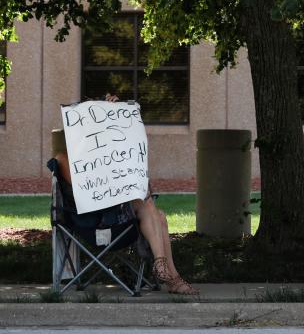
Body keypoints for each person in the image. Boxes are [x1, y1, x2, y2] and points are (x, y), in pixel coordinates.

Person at [53, 94, 198, 295]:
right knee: (149, 207)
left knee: (155, 212)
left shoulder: (111, 154)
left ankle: (164, 269)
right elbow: (87, 190)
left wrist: (114, 114)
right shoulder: (64, 158)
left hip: (119, 216)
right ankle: (170, 276)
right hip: (93, 220)